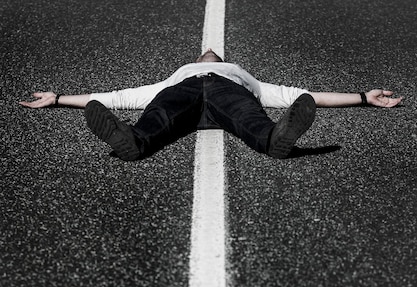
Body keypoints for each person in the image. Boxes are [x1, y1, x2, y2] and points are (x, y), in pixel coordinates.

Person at [20, 48, 403, 161]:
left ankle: (275, 138)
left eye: (214, 53)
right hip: (183, 94)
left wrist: (363, 99)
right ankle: (132, 141)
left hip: (226, 93)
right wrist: (56, 99)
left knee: (248, 114)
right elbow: (117, 98)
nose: (210, 50)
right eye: (208, 54)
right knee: (158, 113)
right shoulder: (174, 77)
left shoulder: (242, 77)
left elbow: (304, 95)